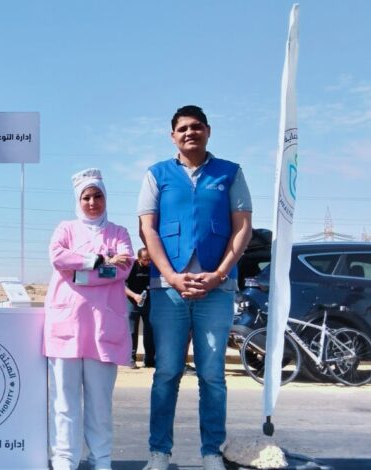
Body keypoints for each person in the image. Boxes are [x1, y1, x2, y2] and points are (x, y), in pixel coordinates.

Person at [138, 105, 252, 470]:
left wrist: (219, 274)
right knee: (166, 373)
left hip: (216, 290)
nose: (190, 132)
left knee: (212, 376)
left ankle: (211, 453)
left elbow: (243, 227)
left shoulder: (230, 173)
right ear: (172, 136)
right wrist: (171, 277)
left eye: (197, 127)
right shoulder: (156, 175)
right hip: (167, 291)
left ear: (208, 131)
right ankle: (159, 453)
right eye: (183, 128)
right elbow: (148, 229)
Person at [44, 168, 134, 470]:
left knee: (100, 402)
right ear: (78, 200)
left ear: (105, 197)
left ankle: (101, 458)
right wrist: (98, 260)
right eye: (86, 197)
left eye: (97, 196)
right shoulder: (65, 229)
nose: (92, 202)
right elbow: (58, 257)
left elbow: (123, 268)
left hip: (103, 330)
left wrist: (78, 274)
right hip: (66, 328)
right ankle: (64, 458)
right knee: (64, 400)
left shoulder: (119, 233)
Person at [125, 247, 155, 368]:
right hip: (132, 302)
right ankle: (131, 359)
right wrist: (135, 296)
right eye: (145, 259)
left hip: (147, 302)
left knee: (150, 330)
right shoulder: (131, 267)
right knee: (132, 331)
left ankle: (150, 360)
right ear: (138, 259)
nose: (148, 262)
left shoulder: (152, 266)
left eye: (149, 259)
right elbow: (122, 286)